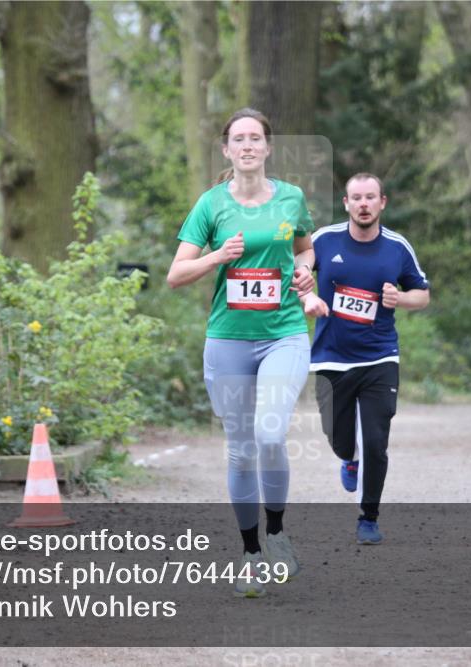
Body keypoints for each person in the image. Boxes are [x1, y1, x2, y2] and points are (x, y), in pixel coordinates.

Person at [167, 108, 329, 597]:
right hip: (228, 338)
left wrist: (305, 273)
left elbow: (305, 249)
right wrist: (219, 256)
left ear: (268, 147)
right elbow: (176, 274)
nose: (247, 146)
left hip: (283, 331)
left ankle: (277, 533)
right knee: (239, 452)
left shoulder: (291, 198)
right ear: (226, 150)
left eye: (255, 138)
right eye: (238, 139)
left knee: (269, 432)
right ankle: (250, 553)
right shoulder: (211, 204)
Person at [310, 173, 430, 544]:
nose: (363, 204)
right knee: (339, 437)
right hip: (331, 357)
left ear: (382, 203)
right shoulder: (323, 240)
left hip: (380, 356)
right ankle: (349, 458)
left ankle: (369, 517)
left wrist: (401, 299)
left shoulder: (397, 247)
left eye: (370, 197)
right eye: (356, 198)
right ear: (346, 203)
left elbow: (422, 295)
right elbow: (294, 270)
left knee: (376, 439)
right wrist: (305, 296)